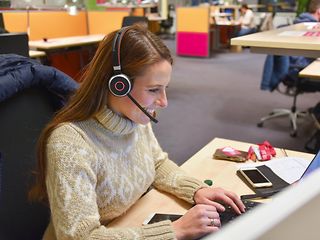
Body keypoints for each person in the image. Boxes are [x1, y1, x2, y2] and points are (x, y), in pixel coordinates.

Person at [29, 24, 245, 240]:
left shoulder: (134, 117)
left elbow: (157, 164)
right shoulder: (71, 144)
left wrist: (196, 190)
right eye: (153, 90)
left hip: (133, 222)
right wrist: (174, 231)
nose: (164, 102)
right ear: (118, 85)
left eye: (165, 88)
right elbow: (79, 237)